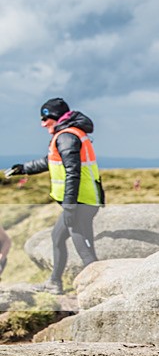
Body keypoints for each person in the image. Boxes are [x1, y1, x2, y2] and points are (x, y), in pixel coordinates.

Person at [4, 98, 105, 294]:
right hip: (81, 200)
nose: (42, 124)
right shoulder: (66, 135)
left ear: (55, 117)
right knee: (58, 237)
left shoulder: (67, 136)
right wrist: (24, 168)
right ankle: (54, 282)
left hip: (80, 202)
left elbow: (72, 173)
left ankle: (98, 288)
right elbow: (50, 161)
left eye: (45, 118)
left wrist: (69, 207)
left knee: (83, 247)